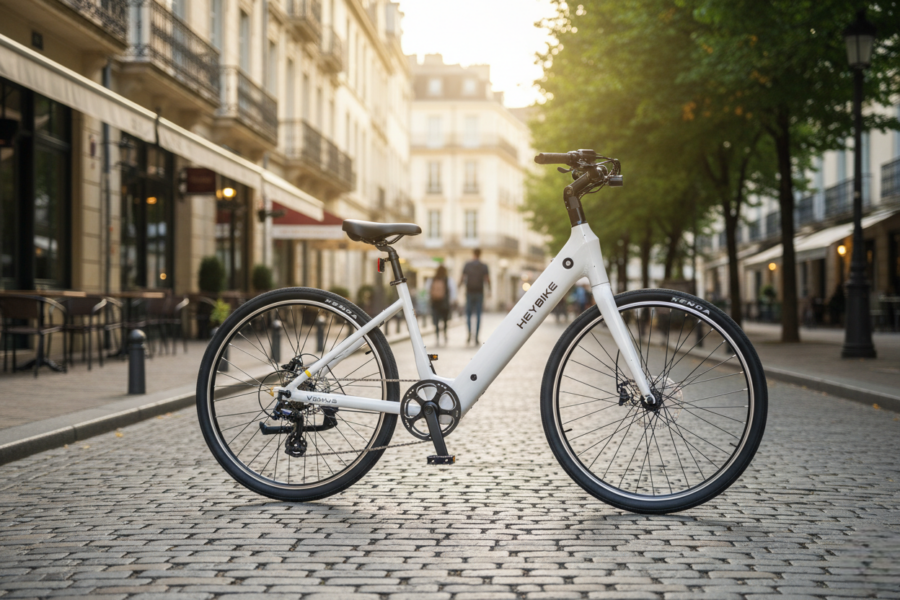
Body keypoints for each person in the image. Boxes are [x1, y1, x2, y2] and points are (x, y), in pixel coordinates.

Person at [459, 248, 490, 344]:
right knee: (478, 315)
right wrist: (489, 290)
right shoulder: (484, 266)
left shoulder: (467, 265)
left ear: (473, 254)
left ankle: (469, 334)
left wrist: (458, 286)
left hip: (469, 292)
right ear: (480, 254)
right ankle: (476, 337)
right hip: (479, 292)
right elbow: (487, 279)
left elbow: (462, 277)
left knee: (468, 314)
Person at [429, 264, 451, 345]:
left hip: (435, 303)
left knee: (436, 321)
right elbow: (450, 290)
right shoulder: (446, 279)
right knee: (445, 321)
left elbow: (429, 290)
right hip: (444, 303)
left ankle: (437, 337)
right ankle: (445, 335)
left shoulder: (433, 279)